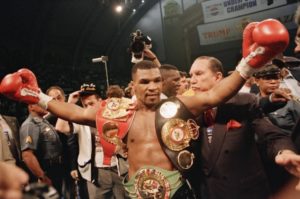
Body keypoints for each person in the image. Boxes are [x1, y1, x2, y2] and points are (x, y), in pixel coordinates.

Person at [0, 19, 293, 198]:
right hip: (135, 192)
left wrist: (249, 63)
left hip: (177, 191)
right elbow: (75, 113)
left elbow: (215, 95)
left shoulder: (177, 106)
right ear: (134, 84)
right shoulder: (117, 111)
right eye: (145, 82)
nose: (153, 86)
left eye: (156, 80)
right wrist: (36, 96)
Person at [188, 55, 300, 199]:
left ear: (217, 77)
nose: (192, 81)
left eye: (198, 74)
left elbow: (271, 135)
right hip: (211, 193)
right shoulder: (191, 112)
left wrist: (284, 152)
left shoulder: (243, 102)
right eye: (191, 75)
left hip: (246, 192)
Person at [56, 83, 128, 199]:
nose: (88, 108)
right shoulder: (81, 119)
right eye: (85, 105)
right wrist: (69, 103)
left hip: (119, 169)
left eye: (91, 104)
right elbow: (60, 127)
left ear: (100, 101)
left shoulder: (114, 115)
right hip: (97, 173)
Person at [19, 103, 64, 196]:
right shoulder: (30, 125)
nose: (45, 105)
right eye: (41, 104)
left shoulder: (43, 121)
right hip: (46, 170)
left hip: (55, 169)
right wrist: (42, 177)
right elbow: (27, 155)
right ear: (31, 107)